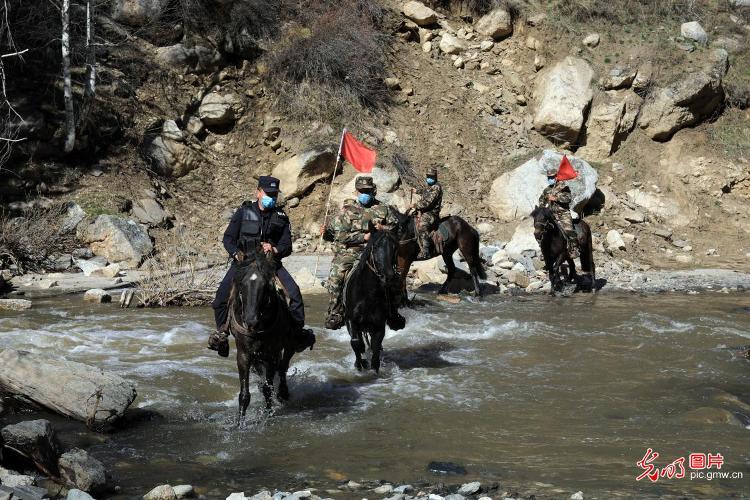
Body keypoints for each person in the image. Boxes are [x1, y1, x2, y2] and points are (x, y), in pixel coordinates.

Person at [208, 176, 315, 357]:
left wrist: (274, 249)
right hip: (243, 263)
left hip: (270, 264)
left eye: (274, 195)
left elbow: (287, 246)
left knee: (295, 294)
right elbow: (228, 239)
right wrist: (236, 253)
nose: (271, 198)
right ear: (258, 192)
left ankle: (296, 334)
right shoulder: (243, 212)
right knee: (220, 300)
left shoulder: (281, 217)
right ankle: (222, 334)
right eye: (268, 194)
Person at [321, 176, 404, 331]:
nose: (364, 193)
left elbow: (397, 229)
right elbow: (340, 236)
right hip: (351, 251)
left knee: (395, 279)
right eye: (361, 191)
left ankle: (393, 313)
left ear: (373, 191)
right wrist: (363, 237)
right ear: (356, 191)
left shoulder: (383, 209)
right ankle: (335, 312)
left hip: (376, 251)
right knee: (336, 277)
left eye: (367, 191)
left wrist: (383, 229)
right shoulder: (347, 211)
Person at [538, 155, 580, 259]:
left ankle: (574, 249)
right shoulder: (547, 189)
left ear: (556, 177)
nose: (550, 179)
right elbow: (541, 200)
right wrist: (542, 207)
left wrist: (556, 198)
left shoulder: (564, 187)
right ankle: (543, 249)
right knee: (540, 230)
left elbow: (568, 199)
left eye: (552, 177)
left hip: (563, 213)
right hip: (551, 214)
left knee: (569, 230)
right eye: (549, 178)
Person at [410, 165, 443, 260]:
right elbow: (426, 191)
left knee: (421, 225)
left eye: (431, 176)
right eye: (428, 176)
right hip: (425, 210)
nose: (429, 178)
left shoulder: (436, 187)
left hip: (431, 213)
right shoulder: (431, 186)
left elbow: (428, 202)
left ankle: (425, 250)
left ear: (435, 177)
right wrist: (417, 191)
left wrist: (415, 205)